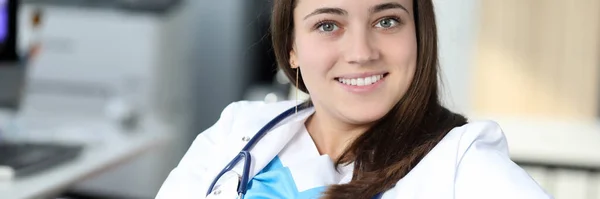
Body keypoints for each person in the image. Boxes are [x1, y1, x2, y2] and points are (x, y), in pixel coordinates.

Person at [156, 0, 553, 198]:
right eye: (329, 24)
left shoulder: (463, 165)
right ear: (291, 47)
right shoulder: (236, 131)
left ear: (419, 34)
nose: (362, 52)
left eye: (387, 21)